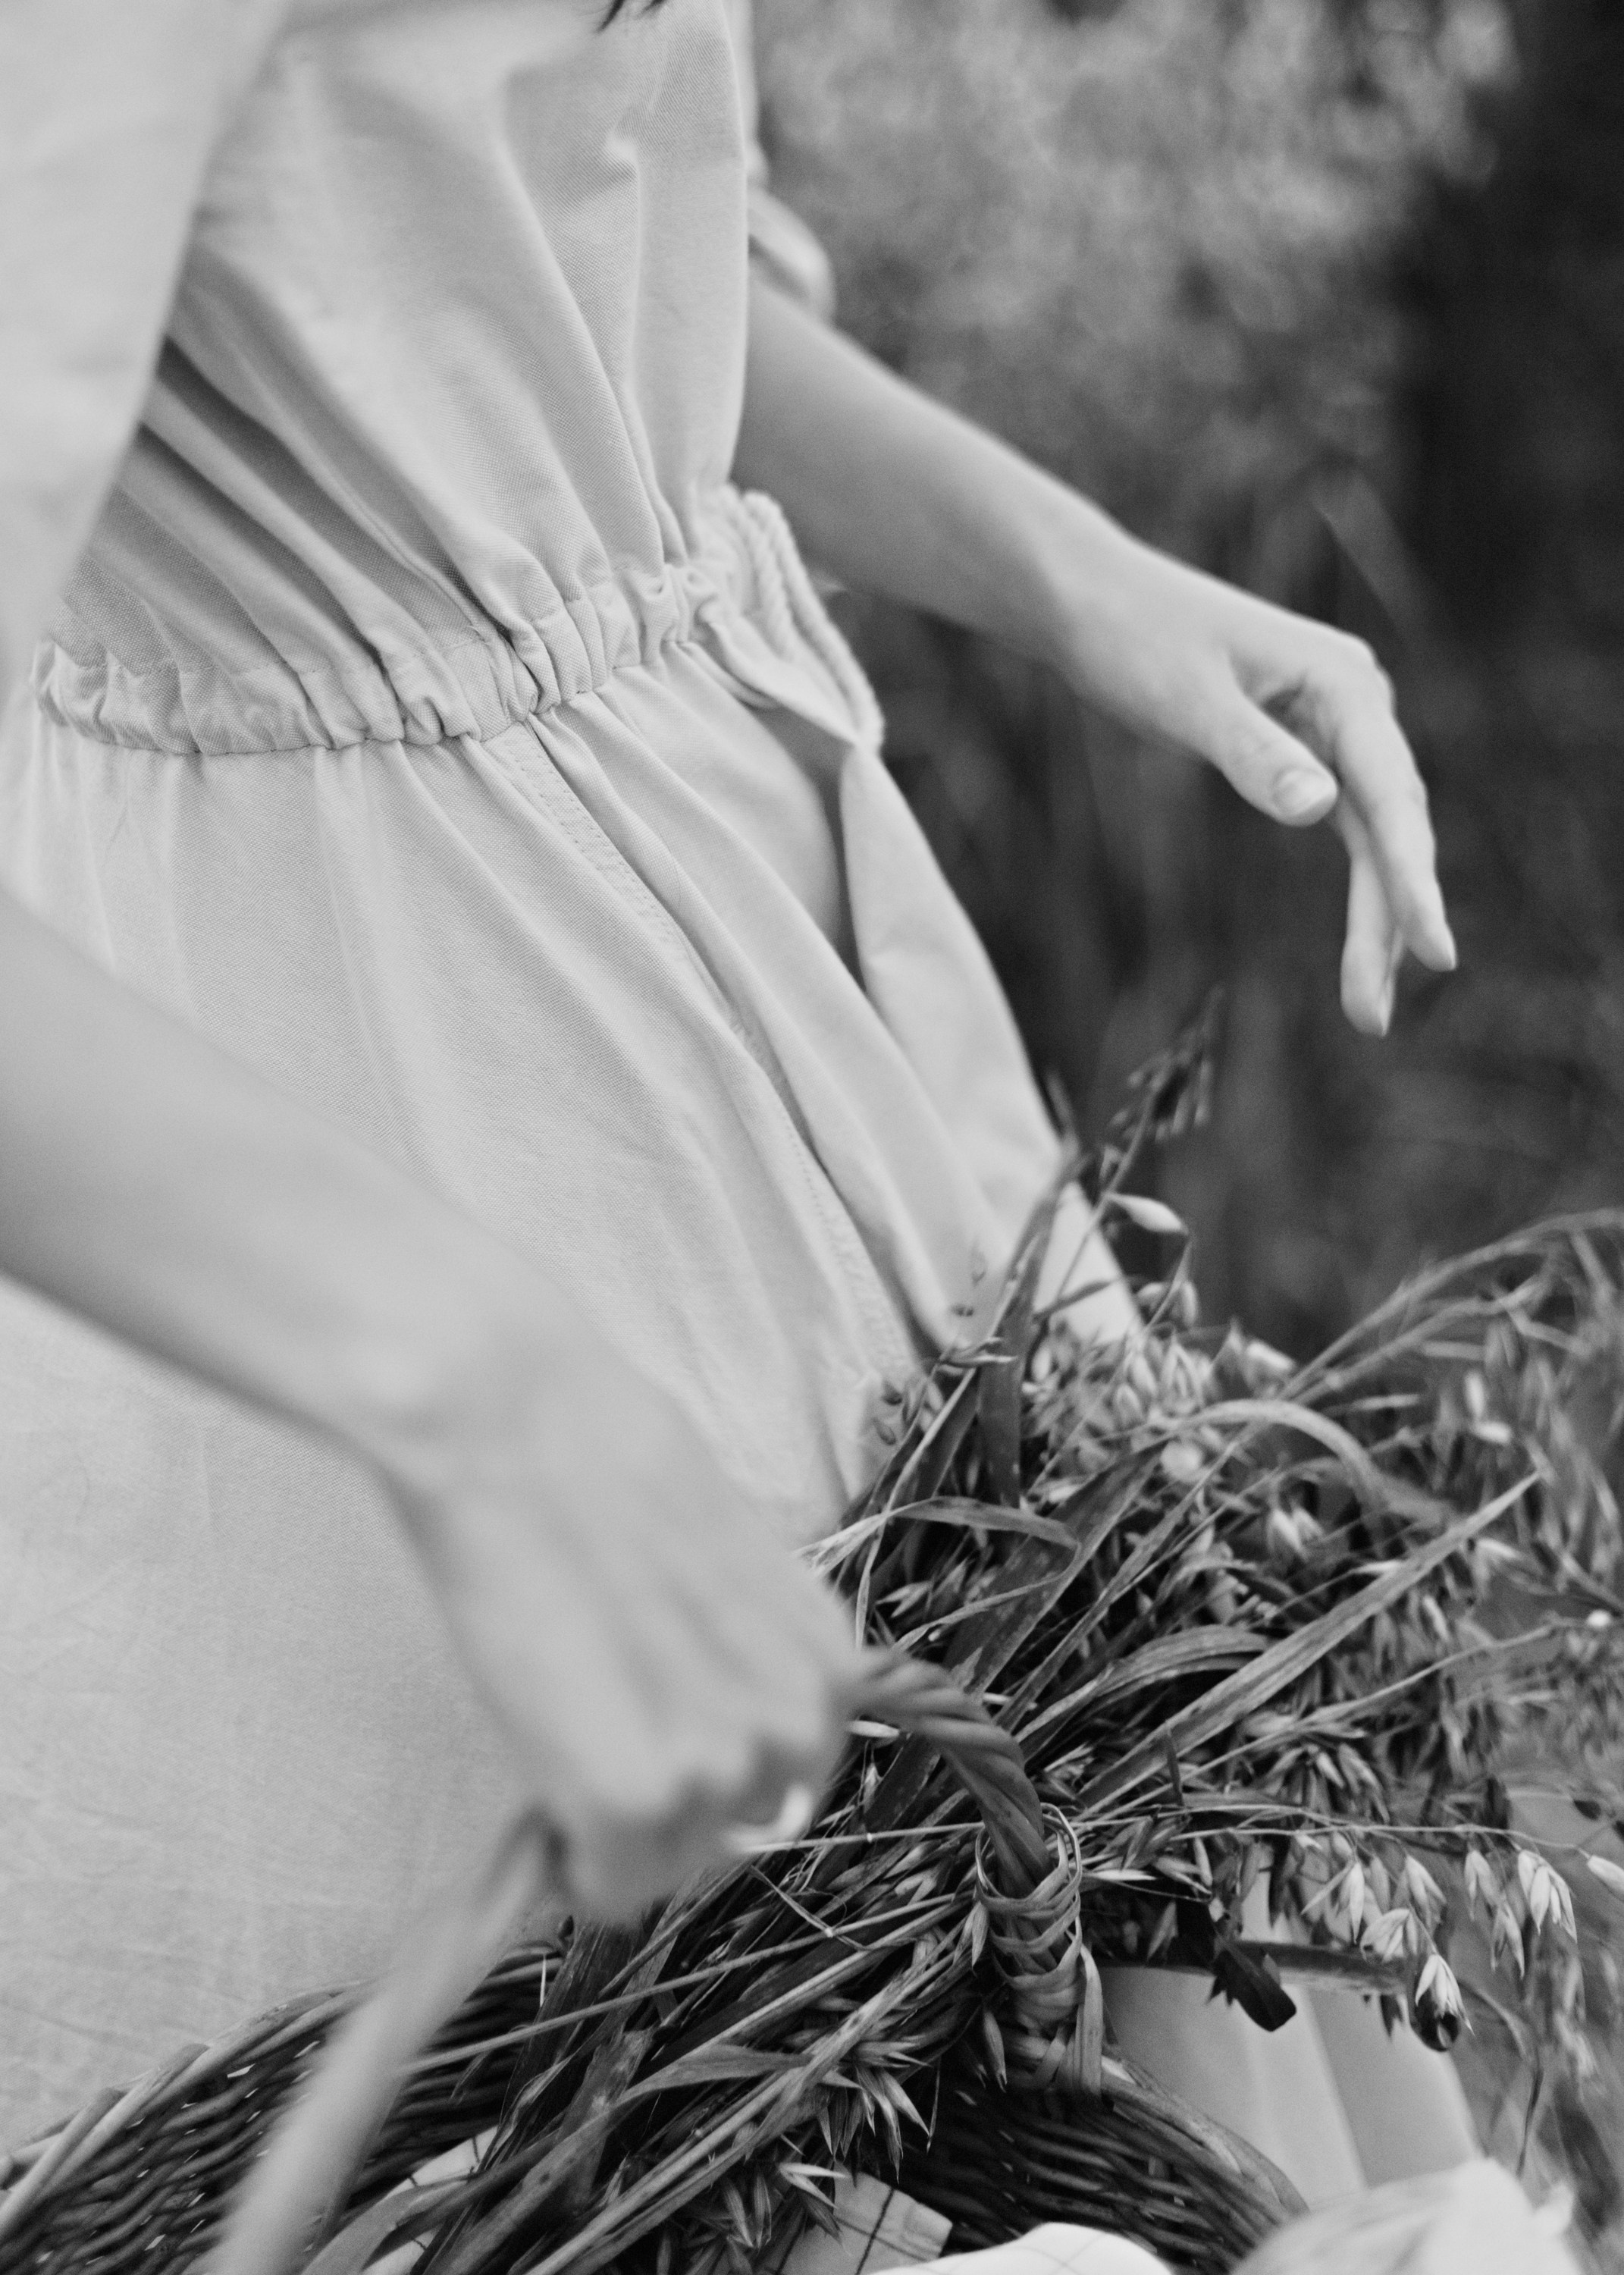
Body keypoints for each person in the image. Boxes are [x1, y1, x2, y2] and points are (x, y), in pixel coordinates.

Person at [0, 0, 1454, 2151]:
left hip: (757, 987)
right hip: (369, 1100)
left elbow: (547, 256)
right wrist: (467, 1380)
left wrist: (1080, 577)